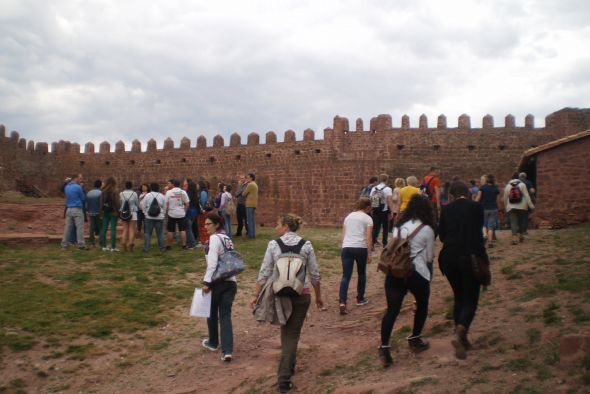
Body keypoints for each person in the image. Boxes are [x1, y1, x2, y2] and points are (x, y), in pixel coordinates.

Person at [251, 213, 324, 393]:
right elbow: (314, 274)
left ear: (285, 226)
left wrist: (256, 295)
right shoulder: (306, 245)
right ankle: (286, 373)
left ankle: (285, 374)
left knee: (287, 333)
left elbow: (264, 272)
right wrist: (318, 296)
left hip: (280, 294)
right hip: (301, 294)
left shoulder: (274, 245)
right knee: (292, 334)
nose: (276, 227)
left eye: (278, 224)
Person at [379, 194, 435, 367]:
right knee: (422, 304)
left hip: (395, 272)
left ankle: (385, 347)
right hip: (417, 272)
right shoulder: (427, 229)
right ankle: (415, 338)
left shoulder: (398, 227)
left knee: (392, 310)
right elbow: (429, 257)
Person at [438, 181, 487, 360]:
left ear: (451, 195)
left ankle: (461, 336)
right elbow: (478, 233)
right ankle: (461, 331)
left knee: (458, 295)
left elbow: (442, 235)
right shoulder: (476, 207)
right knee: (471, 298)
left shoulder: (446, 209)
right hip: (470, 256)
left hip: (448, 257)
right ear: (467, 192)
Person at [202, 212, 237, 362]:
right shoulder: (227, 238)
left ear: (216, 225)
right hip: (230, 281)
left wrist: (206, 282)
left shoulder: (214, 238)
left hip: (217, 281)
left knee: (211, 312)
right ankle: (227, 350)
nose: (205, 227)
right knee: (225, 315)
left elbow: (213, 263)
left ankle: (213, 342)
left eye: (208, 224)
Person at [339, 197, 373, 315]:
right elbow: (368, 237)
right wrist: (369, 253)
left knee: (346, 276)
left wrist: (344, 245)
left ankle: (342, 301)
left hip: (347, 247)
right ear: (367, 207)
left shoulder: (348, 217)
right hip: (360, 247)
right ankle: (360, 298)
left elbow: (343, 234)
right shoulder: (368, 218)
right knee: (361, 273)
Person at [503, 173, 535, 245]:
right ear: (518, 178)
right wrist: (531, 206)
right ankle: (521, 236)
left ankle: (514, 238)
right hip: (522, 206)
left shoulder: (508, 186)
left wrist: (506, 206)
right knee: (521, 221)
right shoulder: (522, 185)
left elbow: (505, 198)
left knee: (513, 222)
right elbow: (527, 196)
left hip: (511, 206)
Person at [61, 174, 88, 250]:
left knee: (67, 228)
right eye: (80, 178)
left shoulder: (67, 187)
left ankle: (64, 245)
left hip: (69, 209)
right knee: (79, 228)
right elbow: (83, 198)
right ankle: (81, 245)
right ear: (76, 178)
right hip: (77, 209)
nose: (81, 180)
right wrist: (82, 188)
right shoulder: (78, 187)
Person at [476, 175, 501, 248]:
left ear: (486, 180)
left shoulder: (482, 187)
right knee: (491, 226)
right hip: (493, 209)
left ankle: (484, 235)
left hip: (483, 208)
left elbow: (478, 197)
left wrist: (474, 204)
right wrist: (499, 208)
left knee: (483, 224)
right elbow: (498, 200)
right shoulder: (495, 188)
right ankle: (490, 241)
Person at [370, 173, 394, 248]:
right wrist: (392, 211)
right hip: (384, 210)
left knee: (375, 227)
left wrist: (372, 208)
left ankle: (373, 242)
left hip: (376, 209)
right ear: (386, 179)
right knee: (385, 227)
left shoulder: (374, 188)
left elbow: (371, 198)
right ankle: (384, 243)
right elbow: (389, 201)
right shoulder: (388, 189)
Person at [165, 179, 190, 249]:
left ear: (173, 185)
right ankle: (184, 245)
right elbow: (187, 203)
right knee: (182, 230)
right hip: (181, 213)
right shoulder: (183, 192)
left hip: (171, 213)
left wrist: (167, 211)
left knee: (170, 230)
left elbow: (166, 202)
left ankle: (168, 245)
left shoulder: (169, 192)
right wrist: (184, 210)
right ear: (179, 185)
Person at [142, 183, 167, 253]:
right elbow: (165, 207)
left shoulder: (147, 195)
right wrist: (163, 214)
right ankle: (162, 248)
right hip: (160, 217)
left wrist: (145, 213)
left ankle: (146, 248)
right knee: (160, 233)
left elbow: (143, 206)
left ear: (151, 188)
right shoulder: (162, 196)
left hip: (149, 217)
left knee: (148, 233)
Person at [100, 176, 119, 251]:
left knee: (104, 229)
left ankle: (104, 246)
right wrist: (118, 212)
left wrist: (101, 211)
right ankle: (113, 247)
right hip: (113, 212)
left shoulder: (103, 191)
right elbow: (117, 203)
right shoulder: (115, 191)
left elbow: (101, 203)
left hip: (105, 212)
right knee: (113, 229)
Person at [120, 181, 139, 252]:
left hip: (124, 212)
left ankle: (123, 243)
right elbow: (137, 203)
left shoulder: (121, 193)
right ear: (131, 186)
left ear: (125, 186)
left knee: (125, 229)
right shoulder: (134, 193)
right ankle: (131, 243)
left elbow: (120, 203)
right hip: (133, 212)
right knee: (131, 229)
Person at [85, 179, 102, 247]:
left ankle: (92, 242)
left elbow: (86, 204)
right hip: (99, 212)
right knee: (100, 227)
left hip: (91, 212)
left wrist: (88, 210)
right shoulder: (101, 193)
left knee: (91, 227)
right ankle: (101, 242)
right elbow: (101, 203)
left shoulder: (89, 193)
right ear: (100, 185)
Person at [243, 173, 258, 239]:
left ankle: (251, 235)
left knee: (249, 220)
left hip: (249, 204)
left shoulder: (250, 184)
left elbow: (244, 193)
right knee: (252, 220)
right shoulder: (255, 184)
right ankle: (252, 234)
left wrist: (245, 185)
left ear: (251, 178)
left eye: (248, 177)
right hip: (253, 203)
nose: (247, 179)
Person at [197, 180, 211, 245]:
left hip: (203, 211)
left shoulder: (202, 192)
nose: (197, 186)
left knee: (203, 226)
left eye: (198, 185)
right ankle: (204, 239)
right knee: (202, 226)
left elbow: (203, 202)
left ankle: (204, 240)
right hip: (203, 211)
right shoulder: (204, 192)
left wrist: (202, 209)